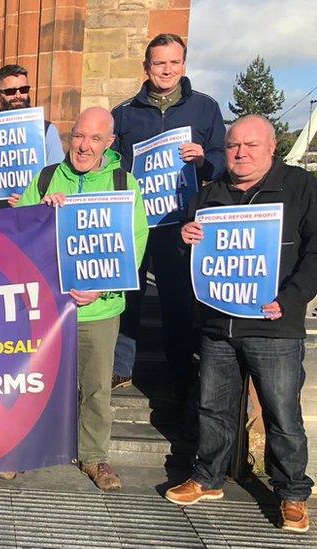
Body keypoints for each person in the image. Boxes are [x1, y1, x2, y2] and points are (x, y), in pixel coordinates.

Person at [167, 115, 315, 533]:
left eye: (251, 145)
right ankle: (208, 477)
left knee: (282, 414)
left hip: (274, 326)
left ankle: (291, 494)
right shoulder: (210, 193)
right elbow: (191, 263)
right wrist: (185, 241)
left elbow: (315, 253)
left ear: (272, 148)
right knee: (212, 408)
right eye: (234, 145)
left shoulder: (300, 188)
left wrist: (291, 299)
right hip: (219, 324)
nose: (241, 153)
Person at [15, 107, 149, 491]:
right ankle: (24, 450)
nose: (84, 146)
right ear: (68, 138)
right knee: (36, 380)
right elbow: (19, 229)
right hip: (49, 305)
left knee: (95, 387)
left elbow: (134, 243)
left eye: (94, 138)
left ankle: (94, 457)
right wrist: (40, 212)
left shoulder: (124, 183)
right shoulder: (45, 178)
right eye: (78, 136)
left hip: (99, 308)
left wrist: (102, 288)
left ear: (108, 143)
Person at [110, 33, 226, 392]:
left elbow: (223, 160)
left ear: (184, 65)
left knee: (177, 296)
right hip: (135, 220)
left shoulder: (205, 107)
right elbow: (115, 166)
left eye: (174, 62)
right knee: (128, 293)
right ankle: (121, 366)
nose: (167, 70)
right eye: (159, 63)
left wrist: (203, 159)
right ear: (146, 67)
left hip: (181, 220)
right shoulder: (124, 112)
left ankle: (179, 367)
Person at [0, 64, 65, 209]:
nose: (18, 96)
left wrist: (30, 199)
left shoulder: (46, 130)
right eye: (10, 91)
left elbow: (58, 176)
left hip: (32, 213)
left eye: (24, 90)